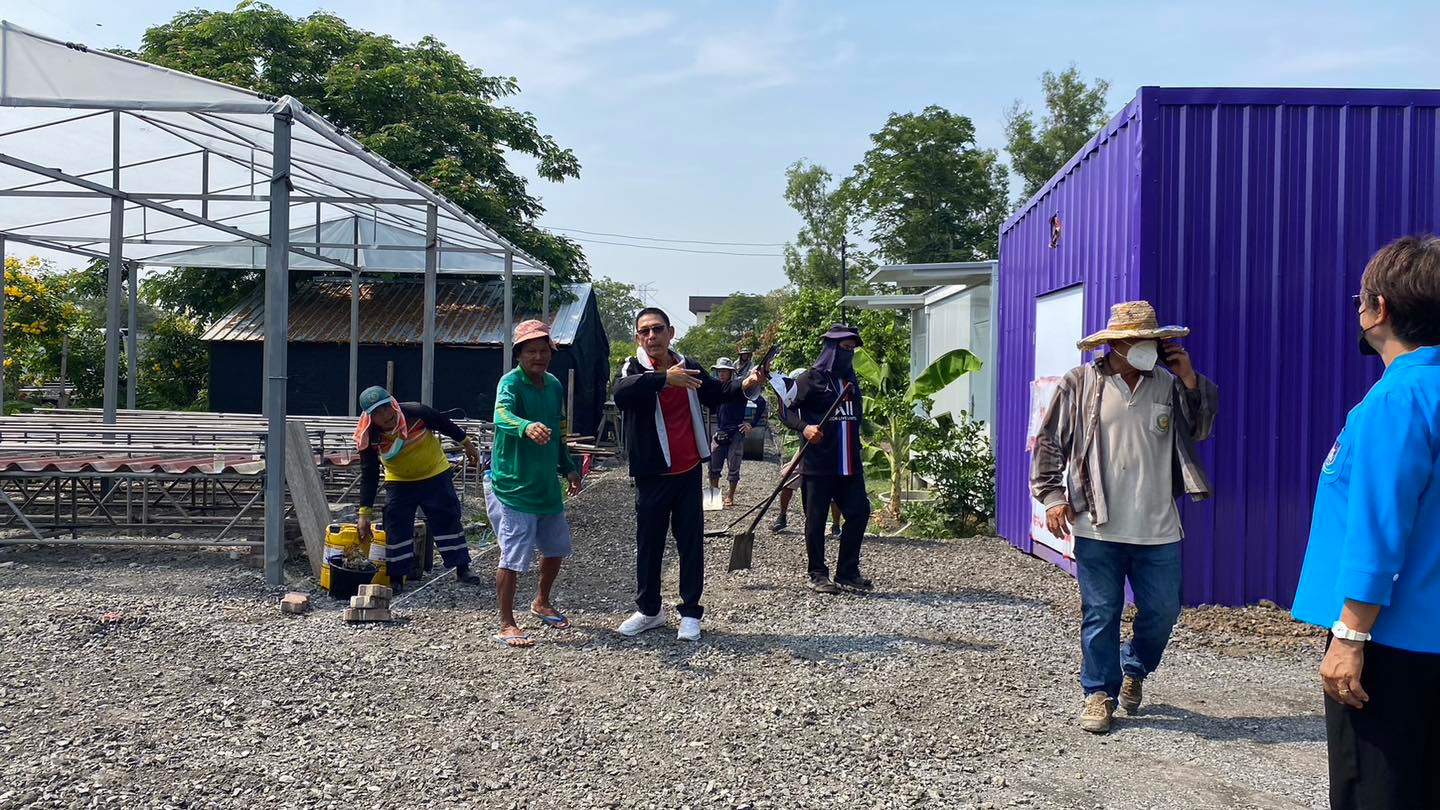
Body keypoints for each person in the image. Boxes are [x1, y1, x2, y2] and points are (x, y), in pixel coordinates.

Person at [1290, 236, 1440, 809]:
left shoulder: (1397, 400)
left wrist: (1350, 636)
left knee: (1377, 790)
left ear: (1379, 309)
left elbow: (1379, 528)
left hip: (1392, 643)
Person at [1030, 300, 1218, 734]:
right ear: (1114, 344)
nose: (1143, 346)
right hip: (1097, 524)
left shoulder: (1168, 384)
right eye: (1135, 339)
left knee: (1164, 610)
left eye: (1150, 339)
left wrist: (1190, 379)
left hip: (1158, 526)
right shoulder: (1080, 383)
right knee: (1101, 612)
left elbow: (1200, 429)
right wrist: (1053, 497)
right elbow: (1050, 443)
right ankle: (1098, 692)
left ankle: (1135, 667)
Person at [613, 307, 764, 641]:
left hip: (687, 470)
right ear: (638, 337)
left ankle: (691, 612)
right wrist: (665, 379)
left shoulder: (689, 365)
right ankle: (649, 610)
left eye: (657, 329)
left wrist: (747, 384)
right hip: (651, 472)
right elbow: (621, 393)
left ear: (671, 333)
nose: (651, 336)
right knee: (649, 544)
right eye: (645, 331)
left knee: (690, 543)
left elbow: (716, 393)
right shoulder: (633, 367)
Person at [486, 320, 584, 648]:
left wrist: (569, 467)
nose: (538, 356)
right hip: (513, 485)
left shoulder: (554, 385)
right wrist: (525, 426)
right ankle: (506, 622)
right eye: (531, 351)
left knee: (556, 548)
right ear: (519, 354)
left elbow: (558, 430)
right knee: (513, 556)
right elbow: (501, 415)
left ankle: (541, 601)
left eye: (544, 350)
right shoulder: (510, 383)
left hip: (545, 485)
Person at [354, 385, 482, 591]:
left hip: (434, 473)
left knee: (447, 519)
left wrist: (467, 444)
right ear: (369, 417)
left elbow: (444, 424)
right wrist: (364, 513)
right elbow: (369, 473)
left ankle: (462, 568)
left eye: (386, 407)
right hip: (399, 480)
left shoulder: (416, 412)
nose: (385, 415)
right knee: (396, 525)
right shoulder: (369, 436)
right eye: (377, 413)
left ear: (393, 404)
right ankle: (396, 577)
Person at [780, 325, 872, 595]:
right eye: (845, 348)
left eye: (852, 349)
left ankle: (847, 572)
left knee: (859, 513)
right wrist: (804, 428)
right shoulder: (810, 379)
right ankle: (817, 573)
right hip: (818, 464)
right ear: (831, 349)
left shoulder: (851, 380)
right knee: (816, 519)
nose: (849, 354)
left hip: (849, 463)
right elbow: (785, 409)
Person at [771, 367, 842, 536]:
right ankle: (782, 517)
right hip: (806, 449)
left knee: (833, 488)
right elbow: (788, 414)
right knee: (788, 477)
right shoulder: (797, 402)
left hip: (829, 449)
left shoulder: (823, 398)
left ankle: (836, 525)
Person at [708, 357, 767, 508]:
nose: (721, 374)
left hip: (736, 431)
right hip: (720, 431)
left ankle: (730, 496)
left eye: (724, 371)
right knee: (713, 466)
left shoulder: (739, 388)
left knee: (734, 467)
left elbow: (761, 402)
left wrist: (751, 423)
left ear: (730, 373)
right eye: (719, 371)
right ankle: (714, 497)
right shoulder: (717, 389)